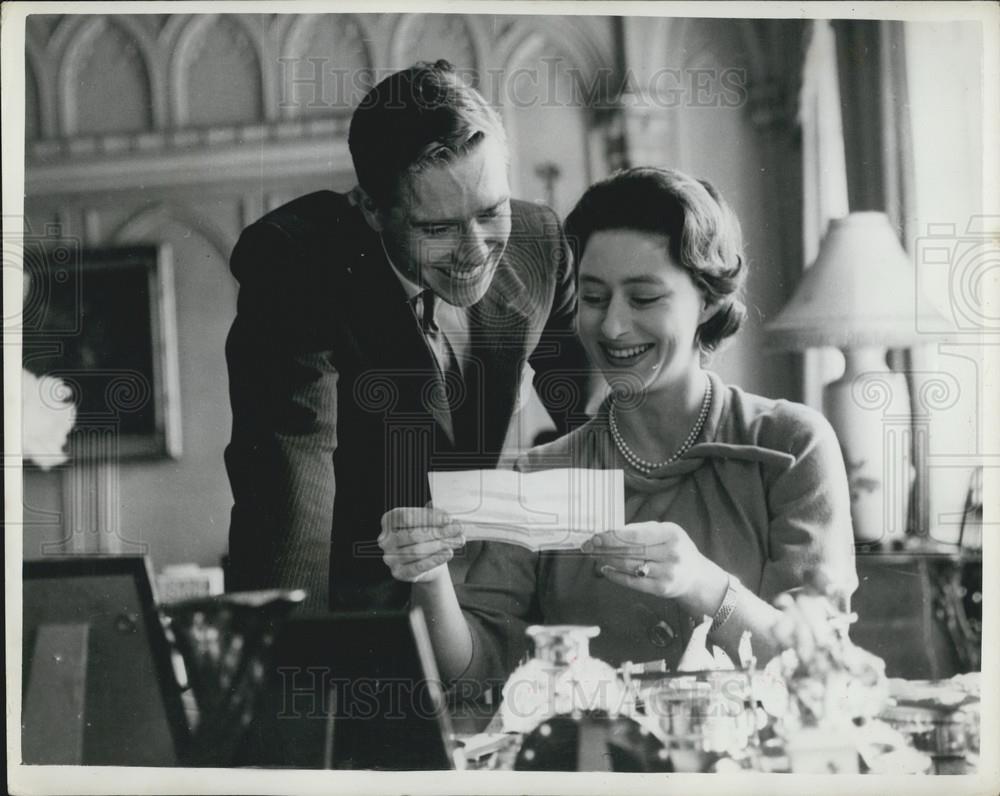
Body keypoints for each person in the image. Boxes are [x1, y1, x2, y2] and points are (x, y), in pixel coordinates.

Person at [379, 167, 858, 683]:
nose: (611, 326)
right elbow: (475, 672)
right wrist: (428, 579)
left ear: (709, 299)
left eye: (644, 297)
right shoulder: (536, 474)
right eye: (594, 297)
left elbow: (820, 664)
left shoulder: (791, 445)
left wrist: (704, 584)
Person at [225, 60, 590, 612]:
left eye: (491, 212)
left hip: (490, 595)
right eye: (437, 229)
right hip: (358, 611)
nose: (474, 252)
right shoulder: (298, 263)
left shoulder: (540, 242)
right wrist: (290, 672)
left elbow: (597, 417)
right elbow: (291, 493)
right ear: (371, 208)